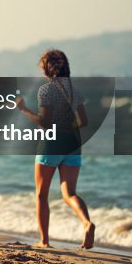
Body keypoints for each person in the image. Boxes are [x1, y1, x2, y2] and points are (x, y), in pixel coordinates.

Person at [15, 49, 95, 250]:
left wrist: (24, 109)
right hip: (72, 145)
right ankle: (87, 222)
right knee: (69, 193)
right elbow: (84, 121)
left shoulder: (46, 90)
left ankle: (44, 241)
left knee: (42, 195)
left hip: (51, 145)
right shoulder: (75, 91)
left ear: (47, 69)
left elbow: (45, 122)